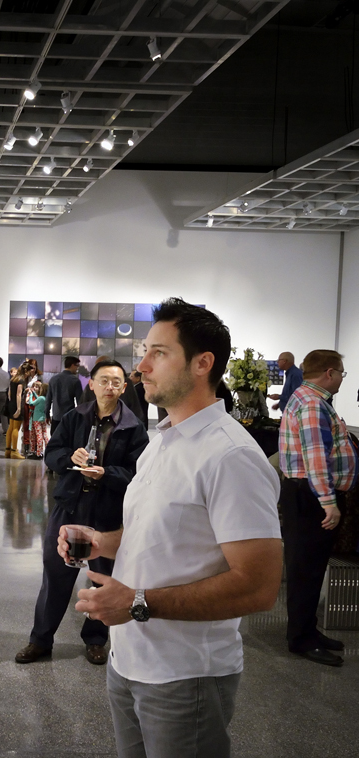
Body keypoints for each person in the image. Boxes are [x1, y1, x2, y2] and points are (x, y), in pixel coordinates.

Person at [65, 298, 282, 758]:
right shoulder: (161, 442)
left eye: (159, 353)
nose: (141, 366)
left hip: (186, 675)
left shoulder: (231, 457)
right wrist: (102, 542)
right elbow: (153, 533)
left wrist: (138, 602)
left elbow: (259, 587)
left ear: (203, 364)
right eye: (145, 351)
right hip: (128, 660)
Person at [16, 360, 148, 667]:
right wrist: (69, 457)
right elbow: (52, 454)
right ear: (92, 384)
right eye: (104, 381)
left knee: (102, 577)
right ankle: (40, 639)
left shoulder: (134, 427)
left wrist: (106, 474)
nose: (109, 387)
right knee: (55, 573)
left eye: (116, 382)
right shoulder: (75, 417)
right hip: (70, 507)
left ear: (123, 388)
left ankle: (96, 640)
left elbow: (139, 474)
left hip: (108, 513)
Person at [278, 349, 356, 666]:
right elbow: (316, 458)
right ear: (329, 372)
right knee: (306, 570)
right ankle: (301, 639)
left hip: (307, 494)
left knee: (309, 568)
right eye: (341, 374)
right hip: (311, 496)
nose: (341, 379)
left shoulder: (308, 398)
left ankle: (308, 630)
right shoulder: (312, 403)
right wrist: (328, 502)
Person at [48, 356, 83, 436]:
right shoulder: (75, 381)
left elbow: (48, 398)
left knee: (54, 440)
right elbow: (80, 401)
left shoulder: (53, 379)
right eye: (77, 366)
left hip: (56, 417)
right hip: (69, 418)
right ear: (72, 365)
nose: (77, 369)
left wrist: (47, 414)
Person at [5, 364, 27, 459]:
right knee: (16, 428)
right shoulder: (21, 380)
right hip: (17, 405)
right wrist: (18, 409)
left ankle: (8, 450)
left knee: (11, 427)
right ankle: (14, 451)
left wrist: (11, 403)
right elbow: (19, 394)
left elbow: (9, 393)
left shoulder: (13, 379)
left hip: (11, 404)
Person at [25, 382, 49, 460]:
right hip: (43, 418)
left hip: (36, 419)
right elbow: (37, 399)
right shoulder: (45, 398)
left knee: (39, 435)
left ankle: (39, 453)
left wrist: (30, 394)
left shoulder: (40, 398)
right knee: (44, 434)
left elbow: (31, 403)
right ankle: (48, 450)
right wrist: (34, 393)